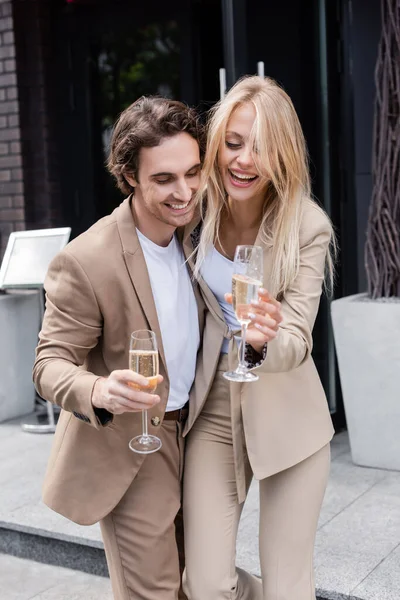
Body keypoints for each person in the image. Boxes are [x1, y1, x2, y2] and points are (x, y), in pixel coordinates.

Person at [33, 96, 222, 600]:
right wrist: (99, 389)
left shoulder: (197, 232)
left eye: (193, 172)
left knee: (203, 584)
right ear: (129, 175)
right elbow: (49, 364)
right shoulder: (86, 260)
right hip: (135, 445)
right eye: (164, 179)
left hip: (199, 437)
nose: (184, 192)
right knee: (154, 592)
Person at [182, 76, 336, 600]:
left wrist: (262, 340)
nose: (244, 160)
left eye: (262, 148)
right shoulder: (194, 208)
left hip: (287, 412)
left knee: (288, 588)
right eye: (233, 143)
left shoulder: (307, 226)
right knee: (204, 584)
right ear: (217, 141)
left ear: (284, 155)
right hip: (215, 411)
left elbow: (296, 337)